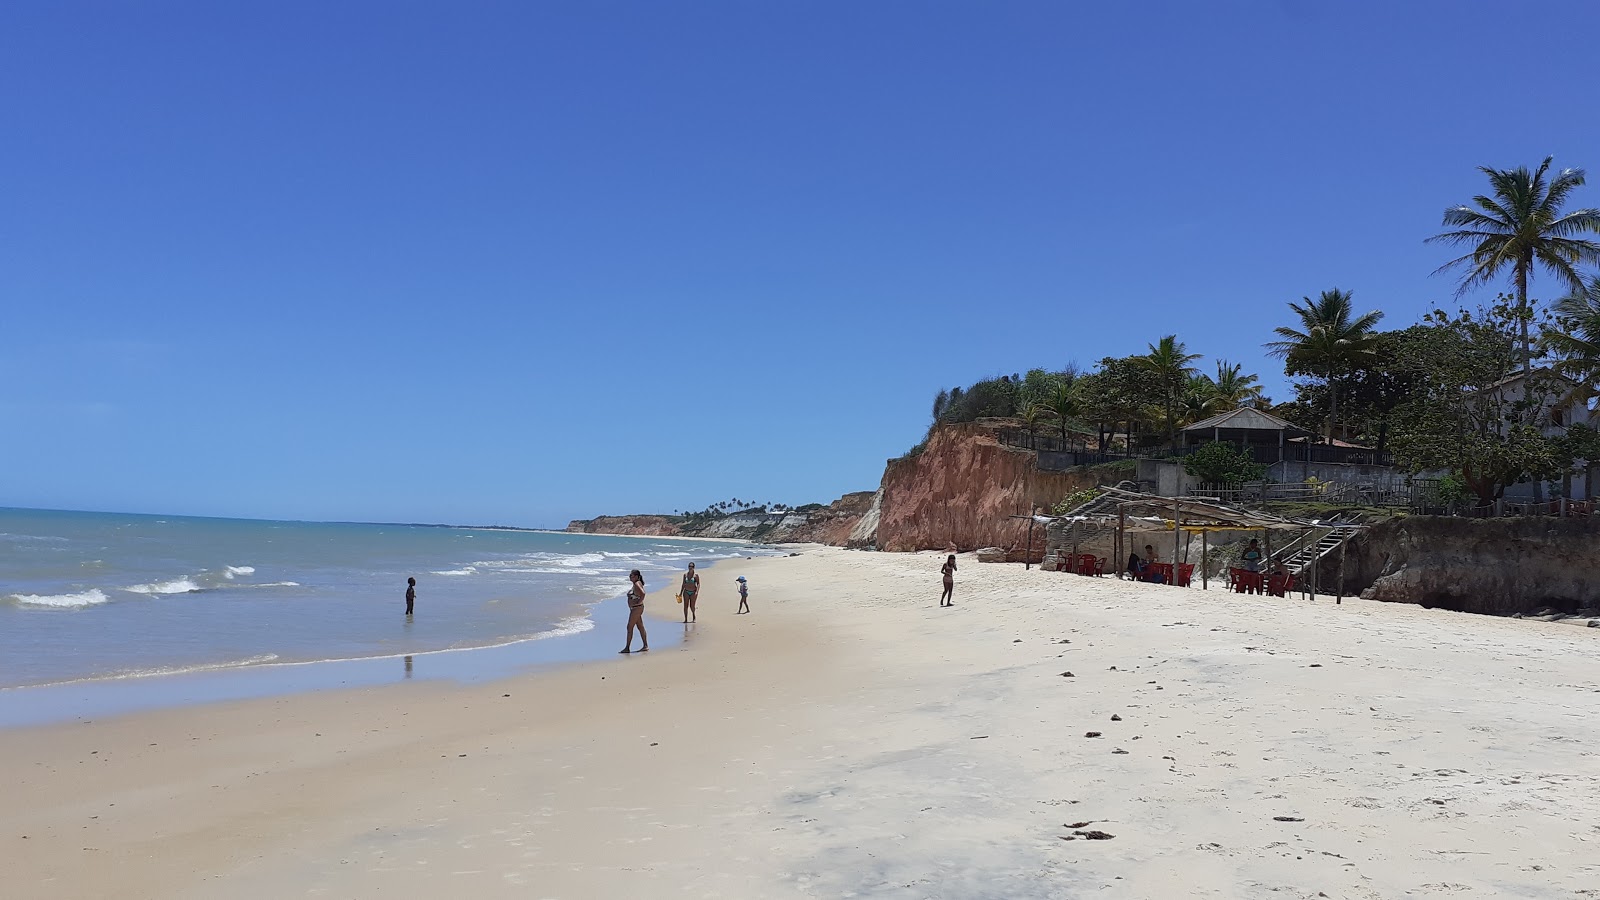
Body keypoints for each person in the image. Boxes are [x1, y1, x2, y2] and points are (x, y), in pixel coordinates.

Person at [620, 569, 649, 653]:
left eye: (631, 575)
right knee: (640, 626)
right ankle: (645, 646)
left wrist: (638, 602)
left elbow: (643, 594)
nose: (630, 577)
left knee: (629, 627)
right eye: (630, 575)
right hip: (636, 608)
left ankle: (627, 647)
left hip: (637, 608)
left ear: (636, 576)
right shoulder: (636, 584)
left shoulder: (637, 584)